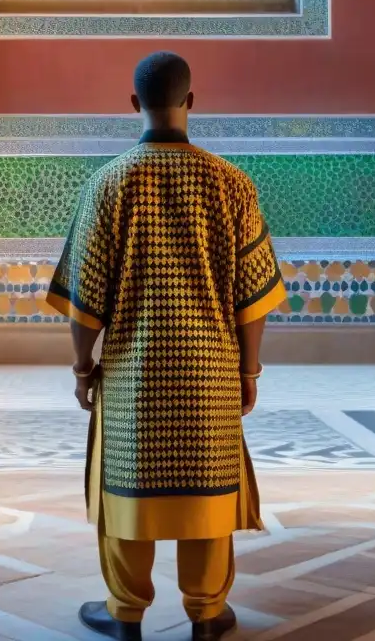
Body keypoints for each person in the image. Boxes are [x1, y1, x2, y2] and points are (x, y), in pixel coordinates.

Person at [45, 52, 285, 641]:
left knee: (127, 494)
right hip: (209, 374)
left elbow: (85, 298)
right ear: (192, 102)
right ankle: (206, 614)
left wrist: (82, 367)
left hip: (133, 374)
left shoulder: (109, 184)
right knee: (208, 495)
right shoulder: (232, 184)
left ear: (134, 104)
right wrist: (248, 371)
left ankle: (126, 614)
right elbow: (252, 299)